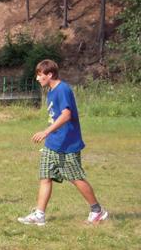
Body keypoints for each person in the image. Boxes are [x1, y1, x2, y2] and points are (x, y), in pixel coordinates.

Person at [18, 59, 108, 226]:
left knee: (75, 178)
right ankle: (39, 214)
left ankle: (97, 210)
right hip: (53, 143)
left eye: (40, 75)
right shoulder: (51, 91)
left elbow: (66, 115)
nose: (37, 78)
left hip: (67, 144)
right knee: (45, 176)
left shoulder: (63, 89)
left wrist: (45, 132)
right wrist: (49, 135)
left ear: (50, 74)